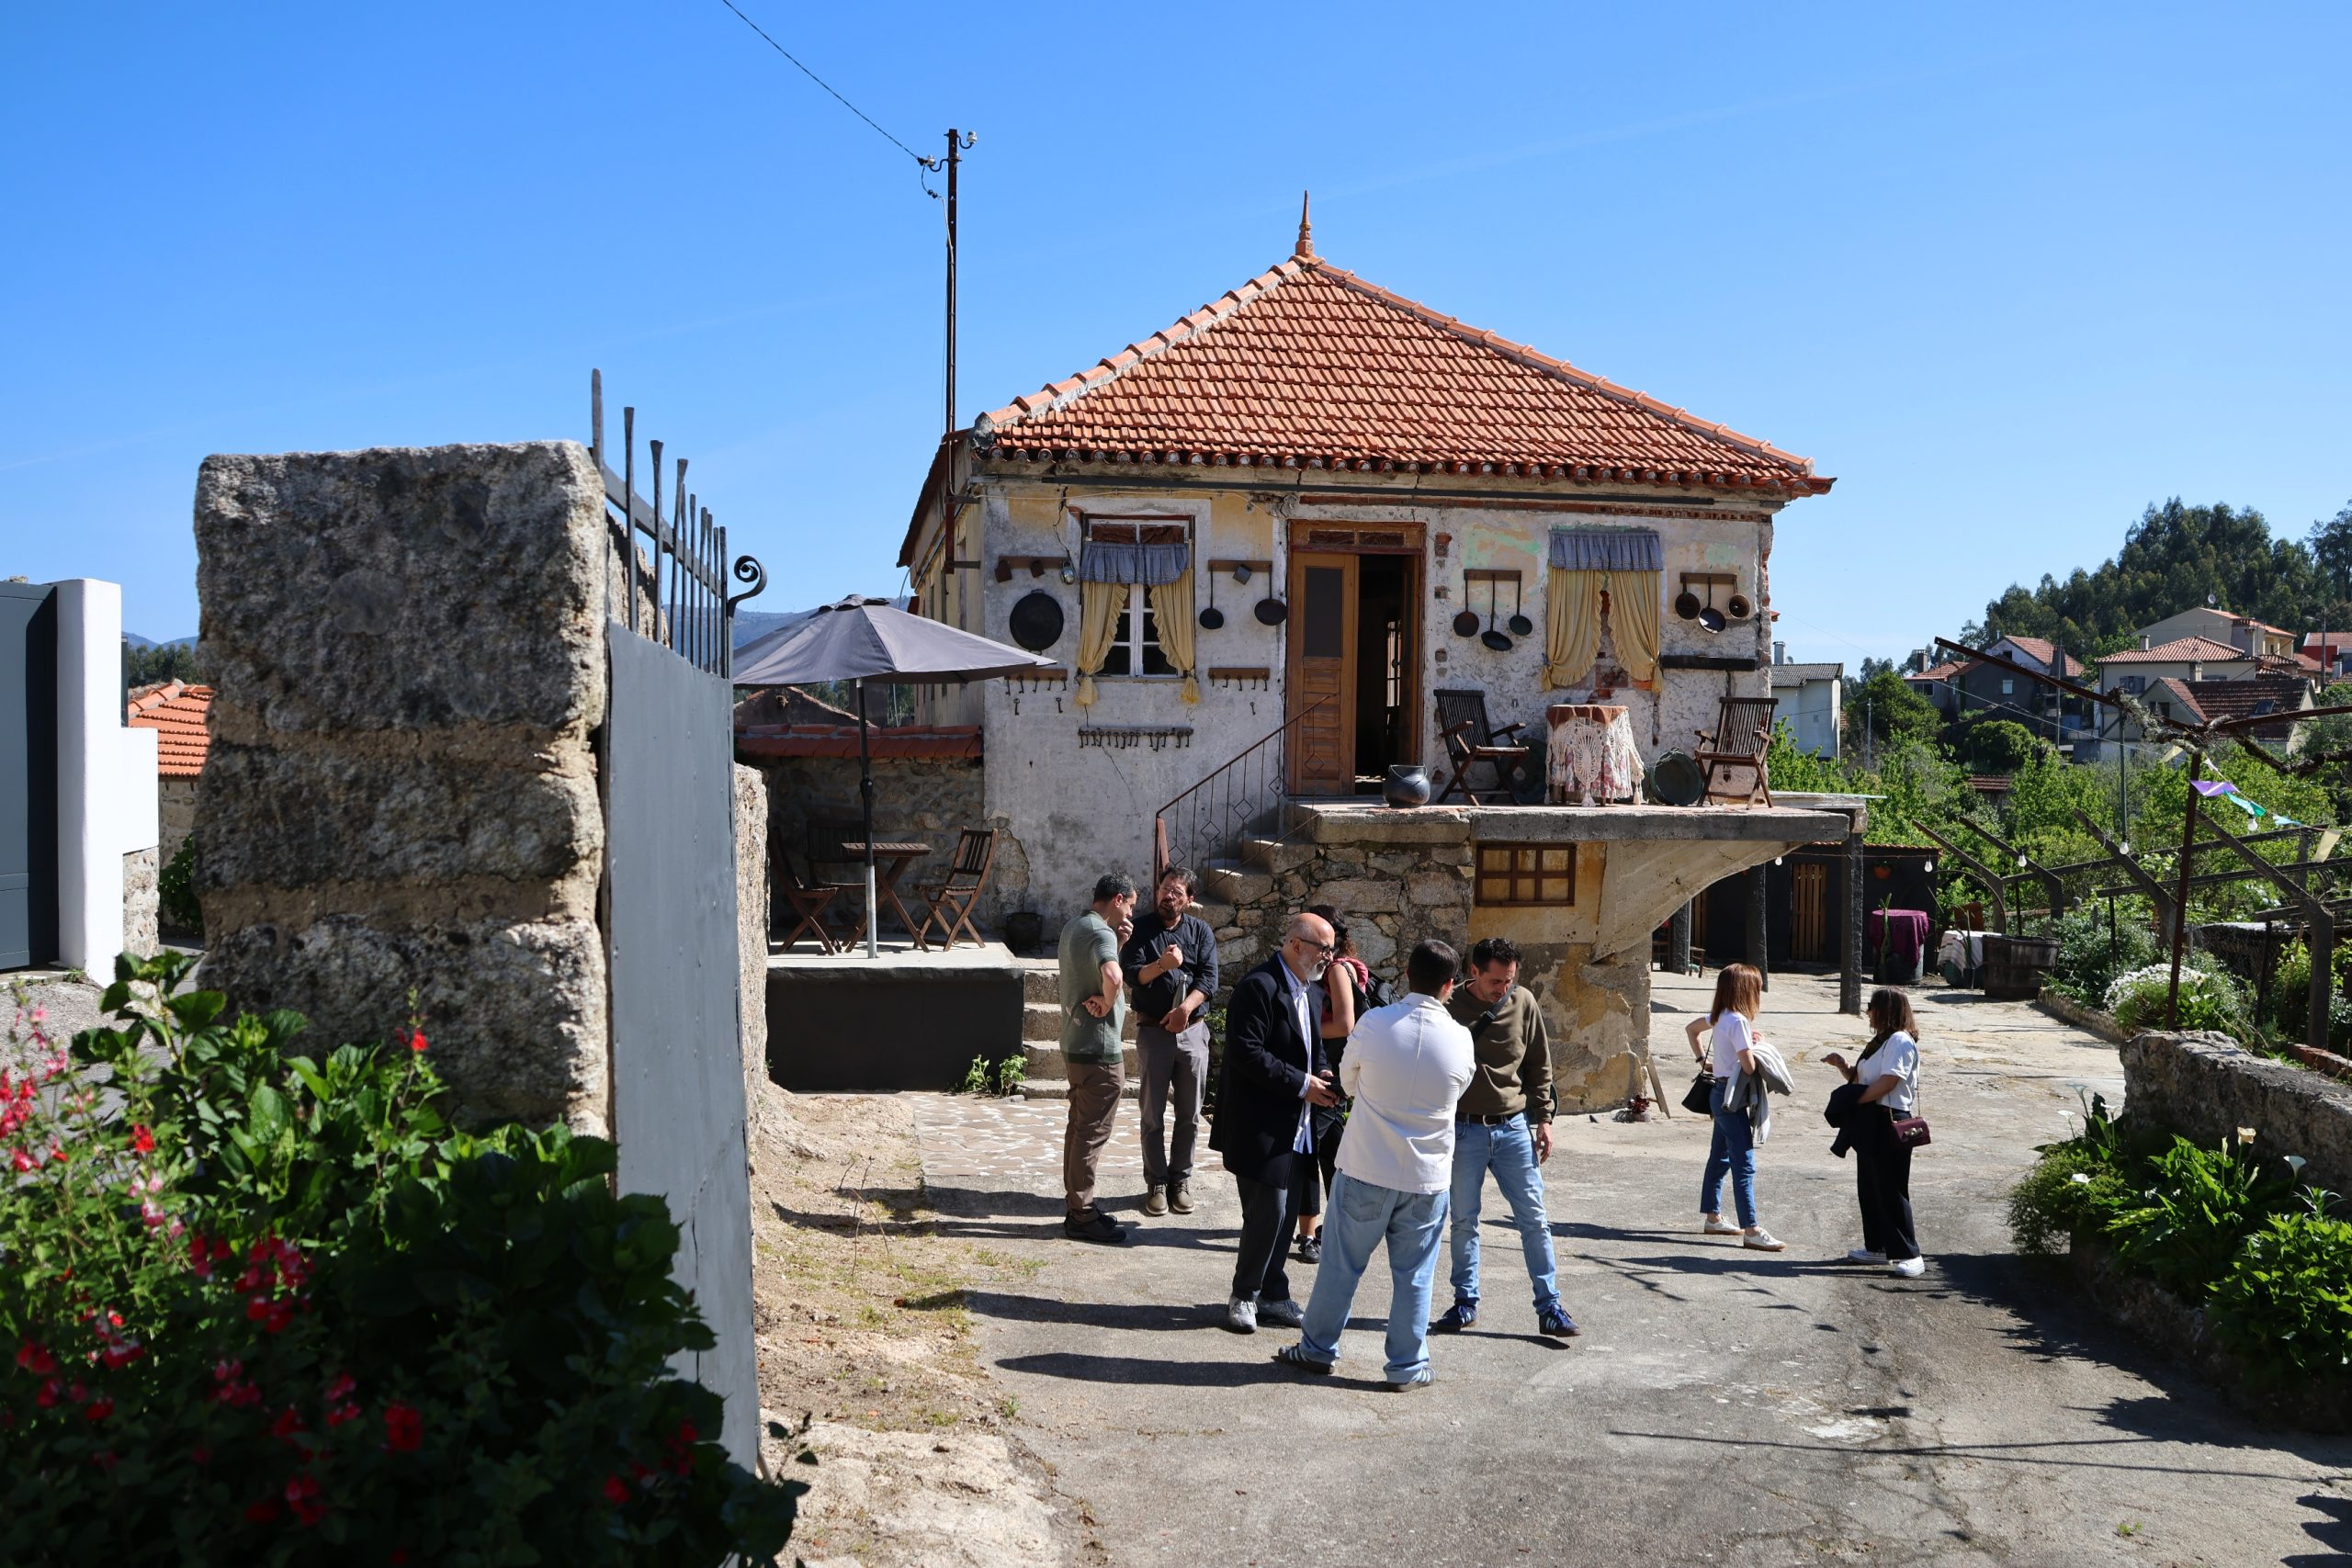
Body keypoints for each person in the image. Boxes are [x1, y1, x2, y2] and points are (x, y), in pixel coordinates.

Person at [1274, 939, 1475, 1389]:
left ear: (1406, 974)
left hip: (1366, 1164)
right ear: (1450, 985)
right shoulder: (1461, 1038)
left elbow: (1347, 1079)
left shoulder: (1374, 1023)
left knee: (1340, 1266)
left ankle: (1317, 1348)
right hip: (1426, 1176)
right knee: (1415, 1276)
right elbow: (1458, 1091)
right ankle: (1406, 1364)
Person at [1433, 937, 1577, 1337]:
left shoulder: (1523, 1002)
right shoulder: (1448, 1008)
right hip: (1463, 1130)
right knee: (1463, 1220)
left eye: (1510, 980)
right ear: (1473, 972)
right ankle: (1465, 1303)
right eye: (1497, 981)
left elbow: (1539, 1065)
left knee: (1534, 1219)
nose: (1504, 989)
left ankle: (1550, 1307)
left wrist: (1544, 1120)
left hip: (1514, 1128)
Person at [1210, 910, 1339, 1333]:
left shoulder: (1312, 992)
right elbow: (1246, 1054)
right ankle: (1243, 1295)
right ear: (1297, 945)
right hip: (1260, 1125)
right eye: (1324, 948)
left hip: (1298, 1125)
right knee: (1269, 1212)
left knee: (1286, 1217)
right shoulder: (1258, 986)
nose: (1329, 957)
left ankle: (1273, 1293)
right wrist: (1303, 1084)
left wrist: (1322, 1075)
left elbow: (1313, 1049)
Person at [1121, 865, 1219, 1218]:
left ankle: (1181, 1181)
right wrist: (1162, 965)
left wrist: (1185, 1010)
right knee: (1152, 1113)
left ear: (1189, 900)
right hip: (1153, 1032)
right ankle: (1157, 1183)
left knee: (1190, 1113)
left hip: (1192, 1031)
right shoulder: (1141, 929)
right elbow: (1134, 975)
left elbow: (1209, 979)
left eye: (1177, 892)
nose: (1168, 896)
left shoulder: (1201, 931)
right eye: (1165, 889)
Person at [1824, 988, 1926, 1278]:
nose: (1867, 1012)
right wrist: (1843, 1066)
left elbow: (1890, 1082)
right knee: (1869, 1187)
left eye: (1871, 1007)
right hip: (1870, 1118)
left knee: (1892, 1188)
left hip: (1890, 1119)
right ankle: (1878, 1247)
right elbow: (1861, 1079)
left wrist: (1853, 1099)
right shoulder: (1878, 1042)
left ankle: (1910, 1253)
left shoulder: (1900, 1041)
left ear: (1886, 1010)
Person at [1057, 873, 1136, 1245]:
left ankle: (1078, 1206)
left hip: (1075, 1044)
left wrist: (1117, 944)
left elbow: (1097, 968)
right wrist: (1107, 1000)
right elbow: (1111, 975)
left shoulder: (1075, 926)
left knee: (1078, 1129)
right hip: (1100, 1050)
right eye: (1131, 905)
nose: (1130, 913)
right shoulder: (1101, 932)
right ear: (1118, 899)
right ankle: (1083, 1215)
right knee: (1091, 1134)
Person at [1682, 963, 1784, 1251]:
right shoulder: (1739, 1021)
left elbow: (1691, 1030)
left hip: (1719, 1092)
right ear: (1746, 990)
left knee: (1720, 1156)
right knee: (1744, 1164)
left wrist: (1703, 1061)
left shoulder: (1720, 1016)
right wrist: (1757, 1044)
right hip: (1733, 1097)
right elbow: (1749, 1067)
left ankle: (1713, 1218)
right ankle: (1751, 1229)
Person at [1292, 905, 1366, 1262]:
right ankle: (1339, 1225)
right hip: (1329, 1069)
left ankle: (1310, 1234)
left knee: (1310, 1147)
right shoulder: (1334, 966)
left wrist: (1297, 1031)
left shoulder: (1336, 970)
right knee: (1333, 1148)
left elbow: (1345, 1025)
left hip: (1330, 1070)